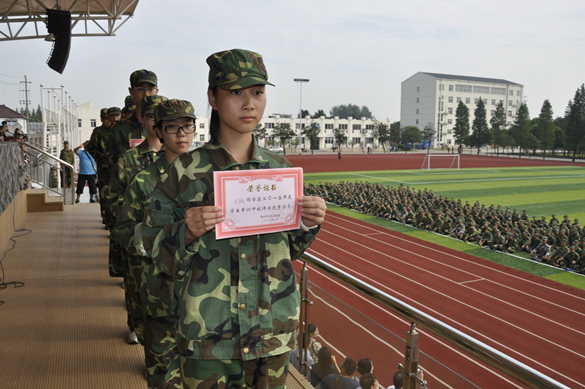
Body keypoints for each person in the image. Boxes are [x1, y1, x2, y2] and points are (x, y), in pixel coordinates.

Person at [141, 49, 326, 389]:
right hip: (210, 339)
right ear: (212, 97)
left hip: (273, 332)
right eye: (235, 92)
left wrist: (307, 223)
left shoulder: (280, 170)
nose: (249, 103)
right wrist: (185, 233)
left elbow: (290, 250)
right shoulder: (183, 173)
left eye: (257, 92)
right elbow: (153, 250)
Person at [113, 98, 194, 389]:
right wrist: (156, 243)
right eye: (172, 127)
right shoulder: (144, 181)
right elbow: (122, 230)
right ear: (159, 131)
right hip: (160, 290)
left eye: (188, 126)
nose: (182, 134)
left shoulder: (209, 178)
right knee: (161, 373)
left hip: (203, 292)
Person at [107, 95, 166, 345]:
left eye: (162, 118)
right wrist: (139, 216)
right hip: (137, 237)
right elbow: (112, 199)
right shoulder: (129, 158)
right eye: (151, 116)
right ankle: (136, 324)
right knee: (136, 285)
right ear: (143, 119)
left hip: (169, 240)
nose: (156, 123)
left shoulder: (183, 159)